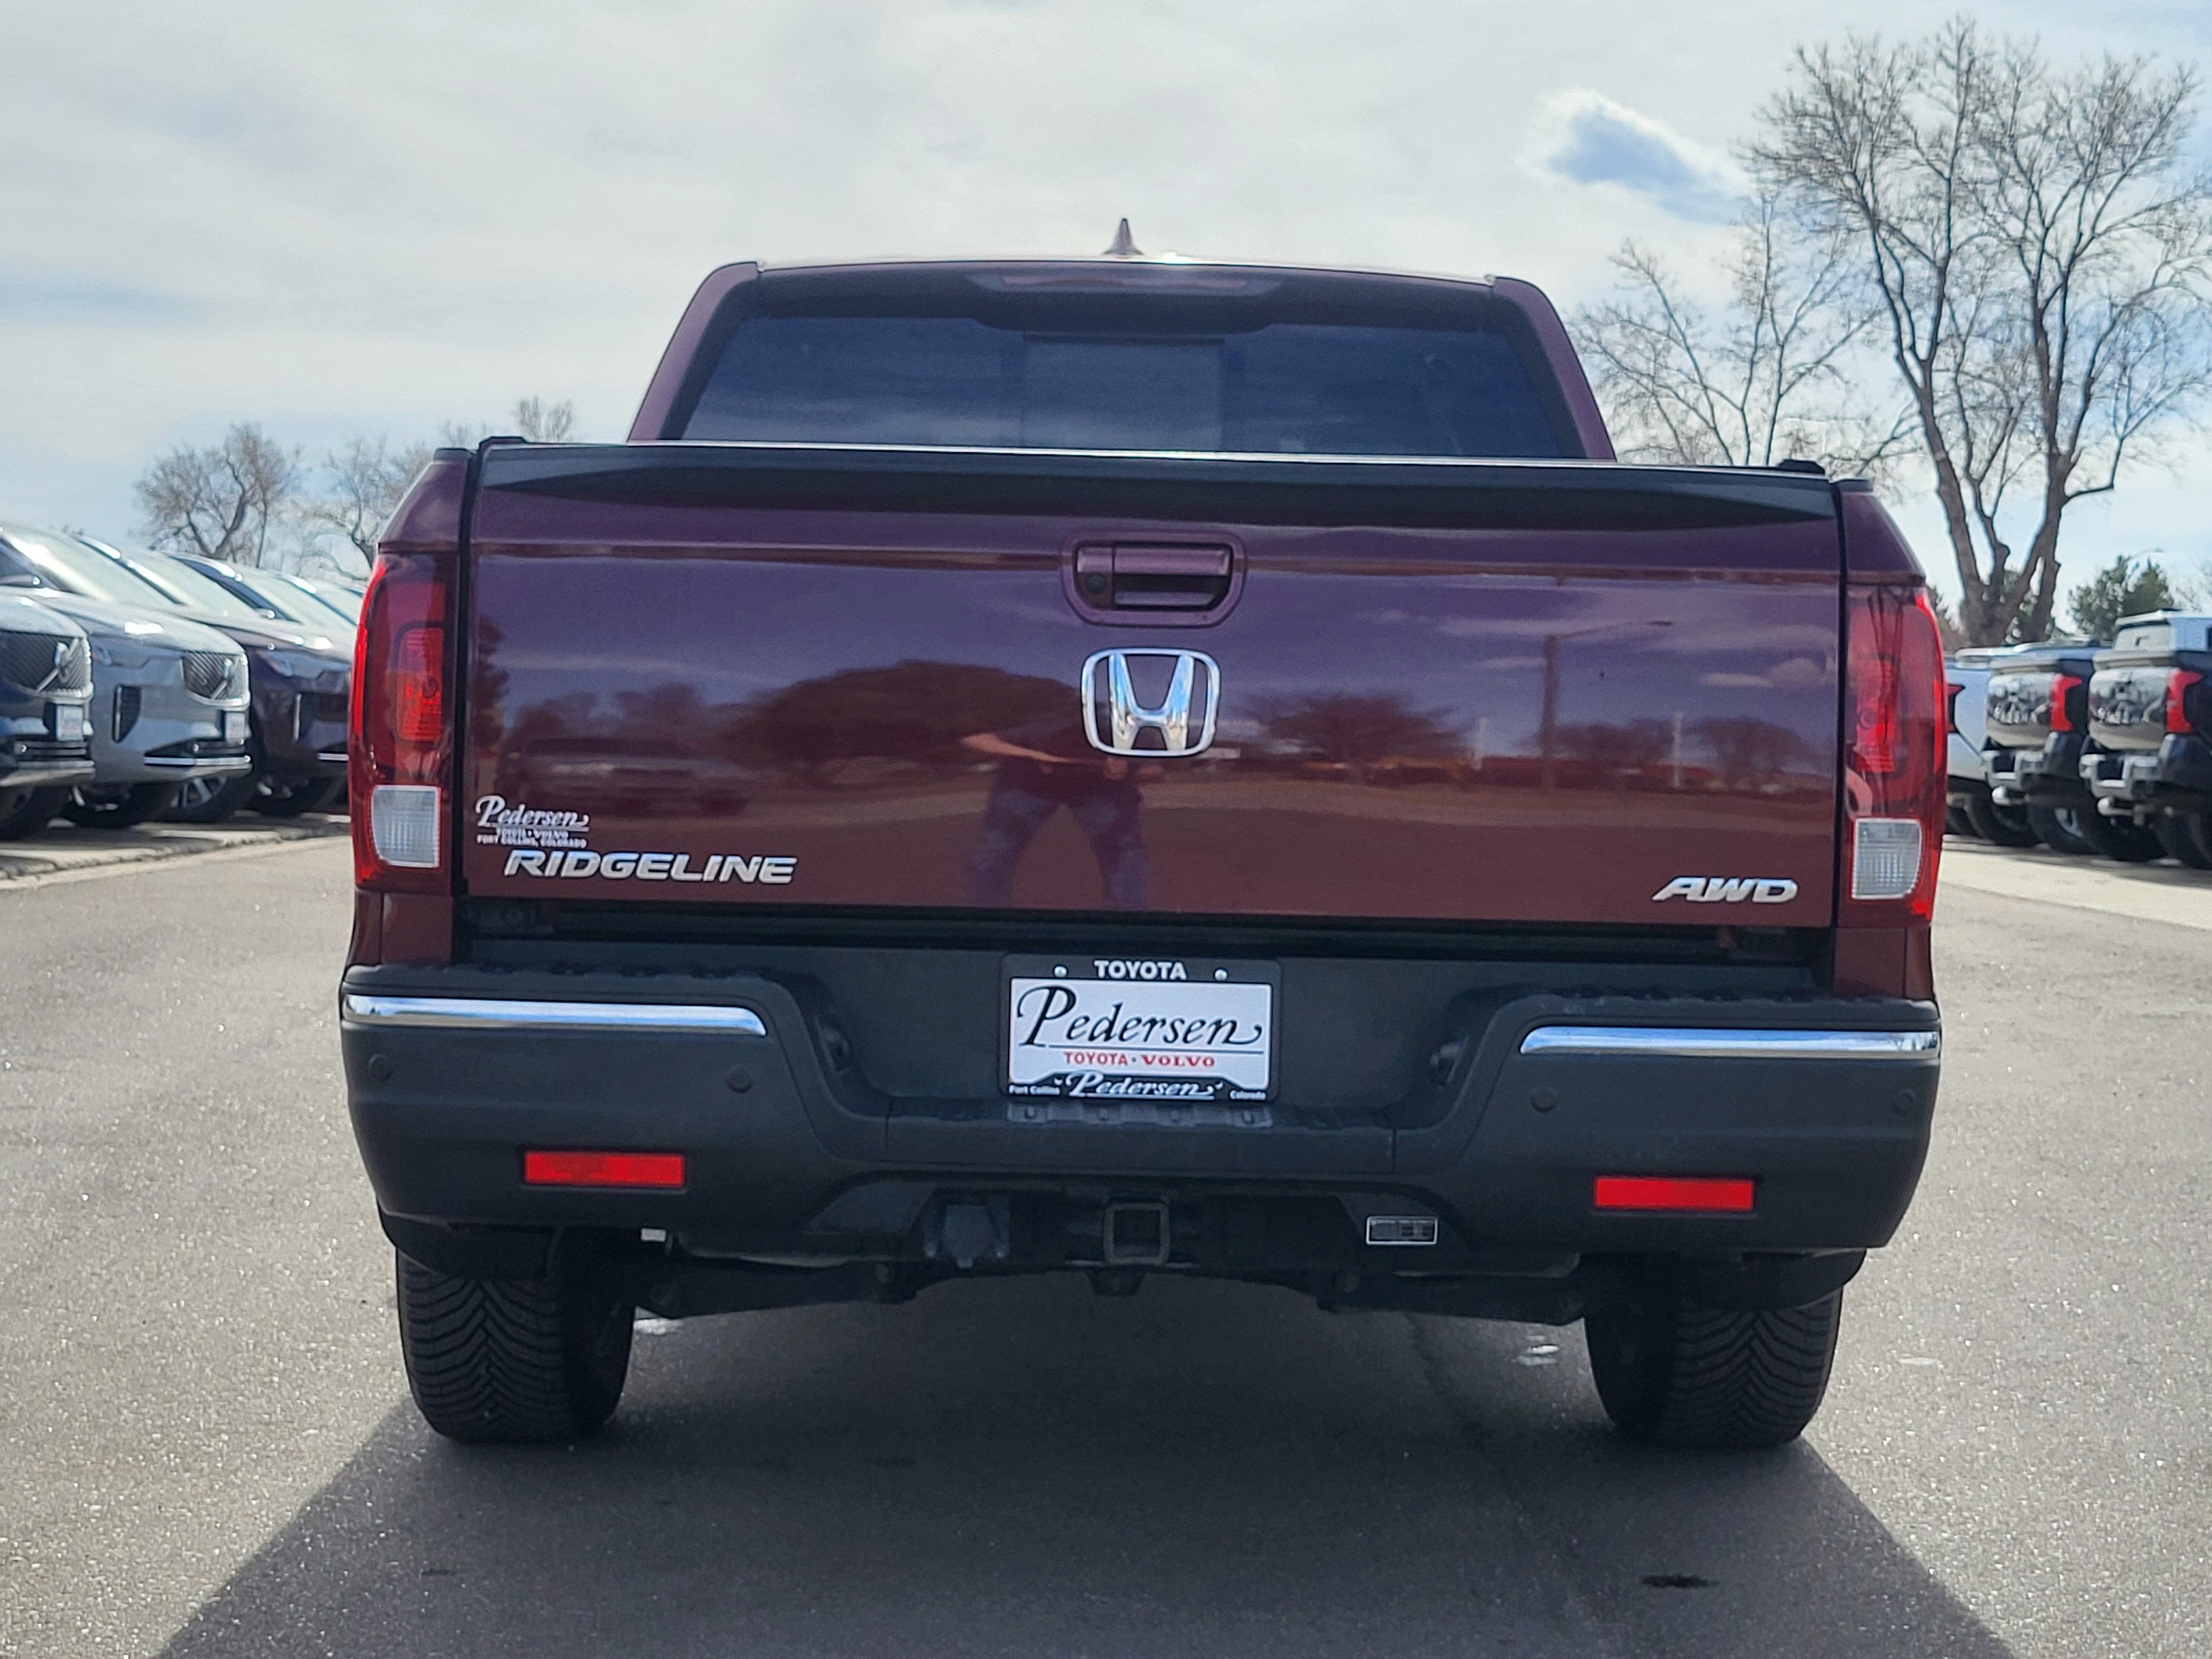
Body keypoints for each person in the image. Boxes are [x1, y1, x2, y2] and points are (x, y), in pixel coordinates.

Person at [961, 706, 1147, 907]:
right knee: (996, 849)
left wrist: (1126, 770)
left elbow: (1155, 770)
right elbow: (974, 740)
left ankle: (1127, 917)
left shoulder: (1124, 733)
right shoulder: (1044, 728)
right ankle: (986, 916)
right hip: (1028, 782)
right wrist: (1033, 756)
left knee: (1124, 848)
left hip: (1096, 786)